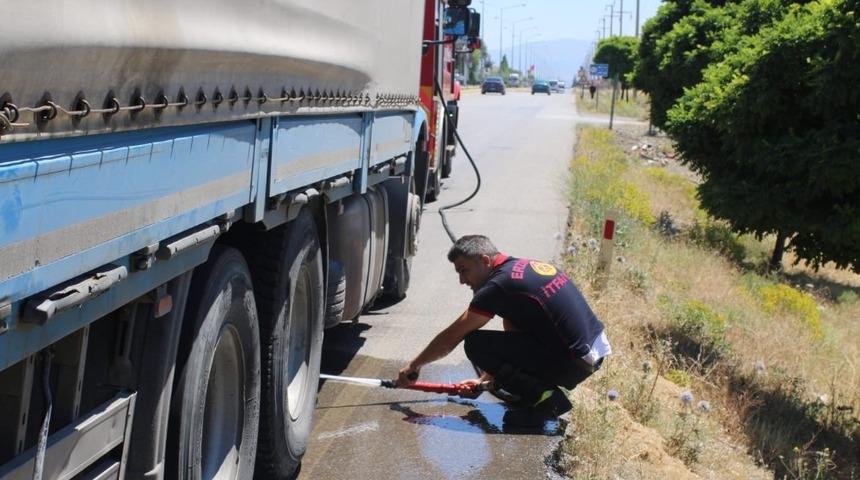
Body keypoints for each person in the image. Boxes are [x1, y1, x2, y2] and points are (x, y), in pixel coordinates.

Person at [397, 235, 611, 427]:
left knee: (475, 343)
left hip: (573, 361)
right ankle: (535, 395)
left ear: (485, 260)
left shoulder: (498, 286)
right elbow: (514, 332)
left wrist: (414, 366)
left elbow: (452, 336)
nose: (462, 281)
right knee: (505, 329)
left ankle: (545, 399)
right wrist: (483, 380)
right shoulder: (520, 268)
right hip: (591, 354)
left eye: (464, 270)